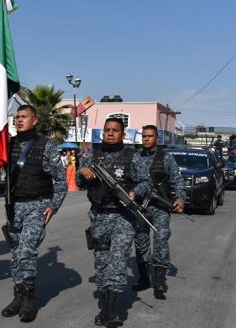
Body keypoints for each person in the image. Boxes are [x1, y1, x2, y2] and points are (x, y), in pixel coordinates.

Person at [76, 118, 150, 327]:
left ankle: (112, 311)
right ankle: (104, 305)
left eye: (115, 130)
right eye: (107, 130)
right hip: (99, 216)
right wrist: (83, 173)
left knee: (117, 262)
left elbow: (146, 181)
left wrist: (135, 192)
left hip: (123, 217)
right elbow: (79, 183)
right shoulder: (92, 156)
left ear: (122, 134)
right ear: (102, 133)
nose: (110, 133)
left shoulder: (132, 157)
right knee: (101, 264)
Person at [1, 105, 67, 323]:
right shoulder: (6, 145)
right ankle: (18, 297)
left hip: (37, 205)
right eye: (17, 117)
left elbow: (61, 179)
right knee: (15, 253)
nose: (19, 120)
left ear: (35, 120)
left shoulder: (45, 145)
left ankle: (29, 299)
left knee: (27, 250)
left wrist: (54, 206)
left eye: (24, 117)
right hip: (13, 207)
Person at [131, 125, 186, 300]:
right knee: (141, 242)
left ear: (157, 138)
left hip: (160, 206)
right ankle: (144, 278)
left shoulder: (166, 157)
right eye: (144, 136)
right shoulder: (135, 156)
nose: (146, 139)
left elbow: (178, 180)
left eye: (150, 136)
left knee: (161, 239)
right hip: (140, 207)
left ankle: (160, 279)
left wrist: (180, 199)